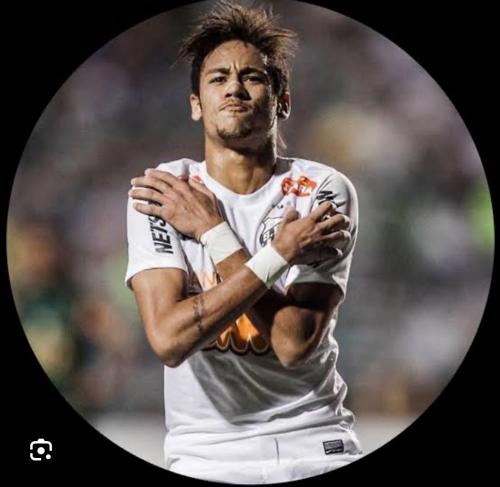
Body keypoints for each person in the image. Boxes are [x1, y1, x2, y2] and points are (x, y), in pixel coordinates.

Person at [125, 1, 362, 483]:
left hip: (314, 441)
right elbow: (169, 340)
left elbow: (293, 343)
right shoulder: (165, 192)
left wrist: (213, 234)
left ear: (283, 101)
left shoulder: (321, 190)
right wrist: (281, 253)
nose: (234, 87)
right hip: (207, 454)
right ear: (196, 104)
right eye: (218, 78)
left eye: (252, 77)